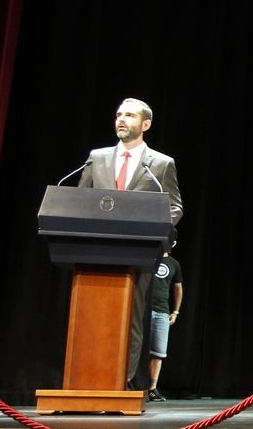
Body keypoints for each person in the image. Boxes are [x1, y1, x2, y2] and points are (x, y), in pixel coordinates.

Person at [77, 97, 184, 388]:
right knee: (90, 316)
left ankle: (119, 382)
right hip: (95, 252)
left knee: (132, 319)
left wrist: (155, 234)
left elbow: (174, 207)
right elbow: (79, 200)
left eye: (130, 116)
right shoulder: (96, 157)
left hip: (139, 254)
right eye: (118, 115)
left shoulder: (161, 164)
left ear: (145, 124)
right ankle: (85, 379)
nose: (121, 120)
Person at [143, 240, 183, 402]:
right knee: (139, 349)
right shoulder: (149, 259)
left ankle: (153, 388)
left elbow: (178, 287)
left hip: (162, 311)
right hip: (145, 310)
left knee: (158, 352)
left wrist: (175, 311)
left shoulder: (174, 264)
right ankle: (137, 385)